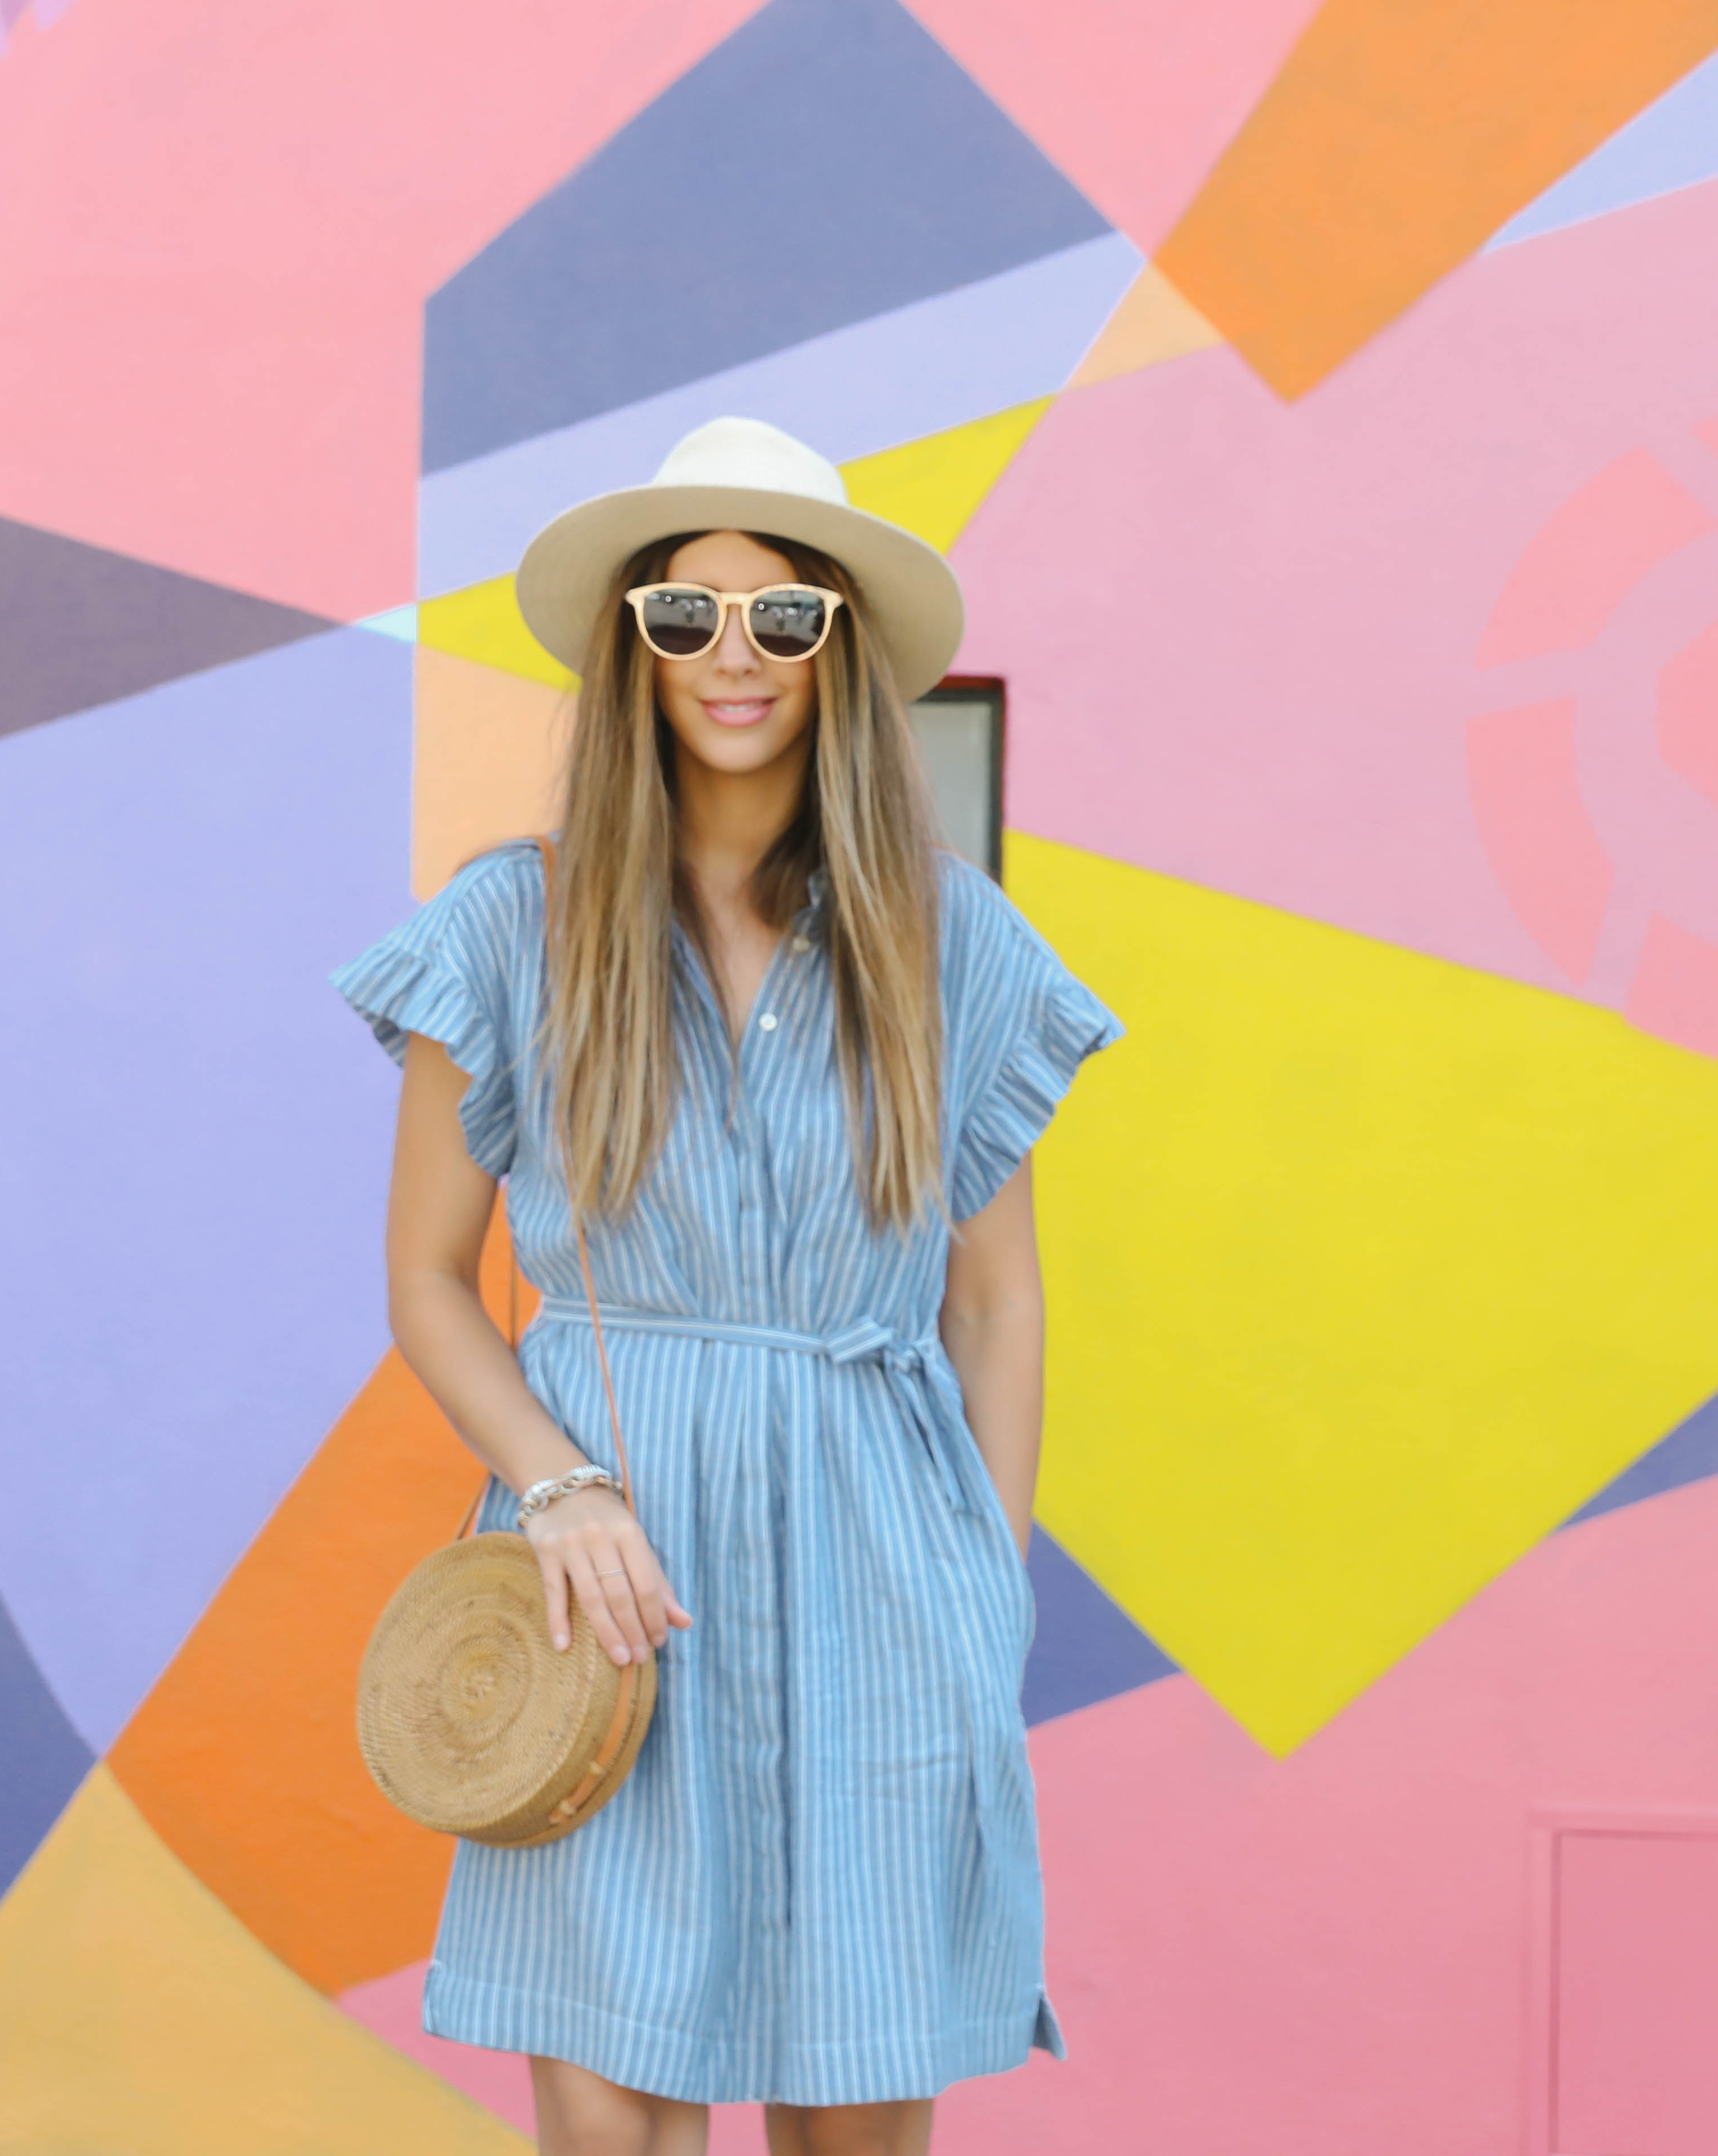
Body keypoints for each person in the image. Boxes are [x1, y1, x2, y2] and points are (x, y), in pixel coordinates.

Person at [335, 416, 1121, 2156]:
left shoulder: (952, 939)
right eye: (684, 620)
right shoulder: (509, 932)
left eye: (783, 619)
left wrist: (983, 1589)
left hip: (886, 1571)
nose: (734, 660)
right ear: (633, 651)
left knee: (856, 2113)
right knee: (614, 2123)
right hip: (615, 1580)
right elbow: (425, 1281)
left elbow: (995, 1303)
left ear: (841, 647)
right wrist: (560, 1487)